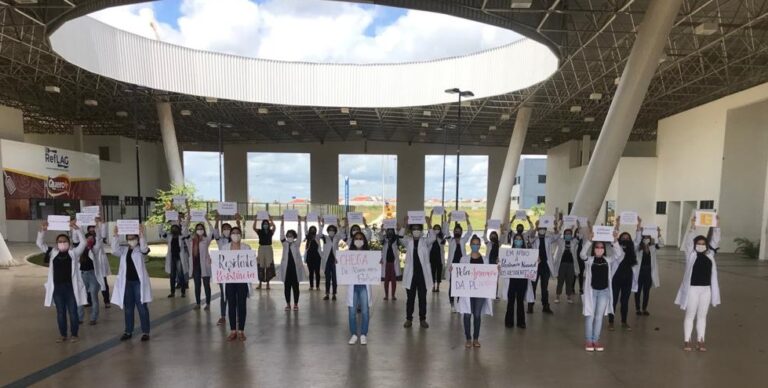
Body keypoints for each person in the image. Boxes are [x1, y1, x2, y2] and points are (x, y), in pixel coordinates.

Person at [675, 216, 721, 352]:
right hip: (692, 290)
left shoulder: (710, 255)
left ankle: (701, 340)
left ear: (706, 245)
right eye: (698, 243)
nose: (701, 245)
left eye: (703, 243)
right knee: (690, 315)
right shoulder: (690, 255)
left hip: (706, 290)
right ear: (695, 245)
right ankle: (687, 340)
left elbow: (716, 240)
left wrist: (717, 225)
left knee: (702, 316)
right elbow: (689, 241)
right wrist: (693, 226)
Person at [38, 220, 88, 343]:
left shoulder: (74, 254)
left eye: (64, 241)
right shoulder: (52, 253)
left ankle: (74, 334)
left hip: (70, 288)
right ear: (56, 244)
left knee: (73, 312)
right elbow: (39, 243)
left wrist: (76, 229)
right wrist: (43, 230)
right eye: (60, 242)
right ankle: (63, 334)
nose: (62, 243)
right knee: (60, 313)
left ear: (69, 243)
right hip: (57, 289)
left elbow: (83, 242)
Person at [581, 227, 623, 352]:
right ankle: (589, 341)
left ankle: (596, 340)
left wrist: (615, 241)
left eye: (601, 247)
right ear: (594, 249)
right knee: (590, 316)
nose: (599, 249)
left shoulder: (608, 260)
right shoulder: (589, 260)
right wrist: (589, 241)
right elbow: (582, 254)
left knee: (599, 317)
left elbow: (619, 254)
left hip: (604, 292)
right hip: (592, 292)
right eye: (597, 247)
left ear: (604, 250)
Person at [111, 224, 152, 342]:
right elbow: (114, 250)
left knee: (142, 307)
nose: (131, 240)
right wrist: (115, 235)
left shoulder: (141, 249)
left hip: (138, 283)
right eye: (129, 238)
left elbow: (145, 249)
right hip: (127, 283)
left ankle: (145, 332)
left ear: (137, 239)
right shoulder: (123, 250)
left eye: (133, 238)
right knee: (128, 308)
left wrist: (142, 234)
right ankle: (128, 331)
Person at [457, 235, 494, 348]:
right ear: (470, 245)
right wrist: (453, 270)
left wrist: (496, 270)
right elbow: (459, 274)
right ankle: (468, 338)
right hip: (467, 292)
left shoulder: (485, 260)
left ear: (480, 246)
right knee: (467, 315)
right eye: (473, 243)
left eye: (477, 244)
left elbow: (489, 275)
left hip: (480, 292)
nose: (475, 246)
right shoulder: (463, 259)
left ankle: (476, 339)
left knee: (477, 315)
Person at [401, 216, 436, 328]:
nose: (416, 230)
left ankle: (422, 319)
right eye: (414, 228)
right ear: (411, 231)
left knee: (422, 298)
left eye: (418, 229)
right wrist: (404, 224)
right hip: (411, 275)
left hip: (422, 276)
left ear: (421, 231)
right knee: (410, 299)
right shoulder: (408, 241)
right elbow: (400, 237)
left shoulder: (425, 241)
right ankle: (408, 319)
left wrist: (429, 223)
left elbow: (434, 237)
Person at [608, 216, 639, 331]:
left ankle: (624, 321)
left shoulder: (633, 248)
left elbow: (638, 239)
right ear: (620, 238)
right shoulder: (616, 246)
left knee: (625, 301)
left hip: (628, 278)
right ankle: (611, 321)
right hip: (616, 277)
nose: (625, 239)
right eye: (623, 237)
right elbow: (614, 238)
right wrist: (617, 224)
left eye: (627, 238)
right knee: (614, 300)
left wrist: (638, 225)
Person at [220, 227, 251, 341]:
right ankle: (233, 330)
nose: (235, 235)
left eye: (238, 233)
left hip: (242, 281)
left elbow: (250, 263)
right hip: (229, 281)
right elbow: (220, 262)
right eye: (233, 233)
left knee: (242, 305)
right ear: (230, 235)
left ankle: (241, 331)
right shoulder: (224, 248)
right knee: (231, 305)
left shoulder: (246, 248)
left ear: (241, 235)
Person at [499, 233, 535, 329]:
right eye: (516, 239)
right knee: (511, 301)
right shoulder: (509, 253)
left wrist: (536, 261)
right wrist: (499, 262)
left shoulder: (527, 253)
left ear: (522, 241)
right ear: (513, 241)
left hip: (522, 280)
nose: (518, 241)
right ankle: (509, 321)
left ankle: (521, 322)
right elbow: (502, 263)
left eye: (520, 239)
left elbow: (533, 263)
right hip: (511, 279)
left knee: (520, 301)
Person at [213, 213, 242, 326]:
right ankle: (223, 316)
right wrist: (217, 220)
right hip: (223, 271)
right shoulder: (219, 240)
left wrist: (238, 221)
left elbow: (239, 232)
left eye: (228, 229)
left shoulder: (235, 240)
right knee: (224, 294)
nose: (226, 230)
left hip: (236, 271)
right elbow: (215, 231)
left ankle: (238, 316)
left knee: (236, 295)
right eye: (224, 229)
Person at [77, 223, 107, 325]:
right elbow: (78, 238)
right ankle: (79, 317)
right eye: (88, 239)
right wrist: (77, 227)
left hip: (93, 275)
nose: (90, 240)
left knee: (94, 297)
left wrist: (97, 227)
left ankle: (93, 318)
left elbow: (99, 239)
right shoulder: (80, 250)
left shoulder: (94, 249)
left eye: (91, 239)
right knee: (81, 295)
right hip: (83, 275)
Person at [528, 219, 560, 314]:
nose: (542, 230)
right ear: (538, 229)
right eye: (540, 229)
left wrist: (555, 227)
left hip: (545, 266)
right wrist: (535, 227)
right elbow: (531, 236)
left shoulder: (548, 238)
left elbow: (557, 236)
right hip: (535, 266)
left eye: (543, 229)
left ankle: (545, 306)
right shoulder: (534, 239)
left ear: (545, 230)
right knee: (533, 286)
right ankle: (530, 305)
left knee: (544, 287)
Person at [347, 231, 373, 345]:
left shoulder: (369, 254)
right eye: (356, 238)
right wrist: (338, 263)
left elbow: (374, 268)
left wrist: (378, 263)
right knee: (352, 312)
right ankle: (353, 334)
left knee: (365, 311)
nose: (358, 240)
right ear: (353, 241)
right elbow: (343, 268)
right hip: (352, 287)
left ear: (364, 240)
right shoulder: (347, 255)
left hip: (364, 287)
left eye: (360, 238)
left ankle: (363, 334)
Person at [186, 217, 214, 310]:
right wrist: (188, 220)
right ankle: (198, 303)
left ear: (204, 230)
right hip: (195, 266)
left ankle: (208, 303)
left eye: (201, 229)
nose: (200, 230)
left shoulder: (206, 239)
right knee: (197, 285)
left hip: (205, 265)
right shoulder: (191, 240)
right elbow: (184, 231)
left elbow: (212, 230)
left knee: (206, 285)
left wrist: (207, 220)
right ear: (195, 230)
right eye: (198, 229)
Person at [446, 212, 473, 311]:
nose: (457, 232)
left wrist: (466, 219)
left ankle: (459, 302)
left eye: (459, 231)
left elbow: (470, 231)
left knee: (461, 285)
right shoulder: (450, 240)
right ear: (454, 232)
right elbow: (445, 231)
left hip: (462, 268)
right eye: (456, 230)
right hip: (452, 267)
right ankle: (452, 304)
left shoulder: (463, 240)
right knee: (452, 286)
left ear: (461, 232)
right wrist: (449, 219)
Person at [279, 217, 306, 311]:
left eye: (291, 235)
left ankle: (296, 304)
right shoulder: (284, 243)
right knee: (286, 287)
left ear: (294, 236)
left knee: (295, 287)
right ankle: (287, 304)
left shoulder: (297, 243)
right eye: (288, 235)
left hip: (295, 269)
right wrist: (282, 222)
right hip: (286, 270)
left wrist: (299, 223)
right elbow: (281, 234)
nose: (289, 236)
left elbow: (300, 235)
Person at [635, 226, 663, 316]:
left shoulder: (653, 247)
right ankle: (638, 308)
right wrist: (639, 231)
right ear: (642, 238)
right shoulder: (638, 248)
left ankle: (644, 308)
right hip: (639, 272)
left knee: (646, 291)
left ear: (650, 238)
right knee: (638, 291)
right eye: (645, 237)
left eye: (648, 237)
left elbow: (661, 244)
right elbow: (636, 242)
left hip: (648, 272)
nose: (646, 239)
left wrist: (659, 234)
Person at [554, 221, 581, 304]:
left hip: (571, 264)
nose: (568, 235)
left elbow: (579, 236)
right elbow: (557, 235)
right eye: (567, 233)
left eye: (569, 233)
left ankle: (569, 297)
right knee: (560, 281)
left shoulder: (574, 242)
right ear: (564, 234)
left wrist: (578, 226)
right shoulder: (560, 241)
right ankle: (557, 296)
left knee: (570, 281)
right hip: (561, 264)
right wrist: (560, 226)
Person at [163, 221, 189, 298]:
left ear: (178, 230)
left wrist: (184, 223)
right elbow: (161, 232)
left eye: (176, 228)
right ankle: (172, 292)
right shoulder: (169, 236)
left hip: (179, 258)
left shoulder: (182, 237)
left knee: (181, 275)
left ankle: (183, 292)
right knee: (172, 276)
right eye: (173, 228)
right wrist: (164, 222)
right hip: (171, 258)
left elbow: (185, 231)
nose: (174, 229)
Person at [320, 221, 344, 301]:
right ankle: (327, 294)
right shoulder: (325, 237)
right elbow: (319, 234)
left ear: (335, 231)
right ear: (327, 231)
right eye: (330, 230)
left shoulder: (337, 237)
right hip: (327, 261)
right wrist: (322, 225)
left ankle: (334, 294)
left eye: (333, 230)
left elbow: (343, 235)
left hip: (335, 260)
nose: (331, 231)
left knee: (334, 278)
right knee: (327, 278)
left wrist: (339, 225)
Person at [378, 221, 402, 300]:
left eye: (392, 231)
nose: (390, 232)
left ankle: (393, 295)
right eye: (388, 231)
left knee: (394, 280)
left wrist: (398, 227)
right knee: (386, 280)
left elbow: (400, 235)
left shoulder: (396, 239)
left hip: (393, 263)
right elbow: (380, 237)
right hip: (386, 263)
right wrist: (382, 229)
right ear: (386, 231)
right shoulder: (384, 239)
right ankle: (386, 295)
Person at [253, 218, 276, 290]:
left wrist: (271, 220)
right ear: (262, 225)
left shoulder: (270, 231)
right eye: (264, 224)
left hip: (269, 248)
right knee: (261, 265)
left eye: (266, 224)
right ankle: (260, 284)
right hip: (261, 248)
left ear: (268, 225)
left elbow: (274, 227)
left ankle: (268, 284)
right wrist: (256, 219)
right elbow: (254, 228)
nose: (265, 225)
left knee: (268, 265)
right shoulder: (260, 231)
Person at [428, 210, 447, 292]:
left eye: (438, 228)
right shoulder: (431, 235)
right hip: (432, 257)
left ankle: (438, 287)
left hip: (439, 258)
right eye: (435, 228)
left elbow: (445, 226)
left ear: (440, 230)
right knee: (432, 272)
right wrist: (431, 214)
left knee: (439, 272)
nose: (436, 229)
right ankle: (432, 286)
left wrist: (445, 214)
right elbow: (429, 224)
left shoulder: (441, 236)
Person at [304, 215, 322, 291]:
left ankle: (317, 286)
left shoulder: (318, 237)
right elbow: (305, 229)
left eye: (314, 229)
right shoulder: (307, 237)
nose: (312, 230)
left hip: (317, 257)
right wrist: (305, 221)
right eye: (311, 229)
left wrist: (319, 221)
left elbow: (321, 230)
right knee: (311, 272)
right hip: (309, 257)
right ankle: (311, 286)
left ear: (316, 230)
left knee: (317, 272)